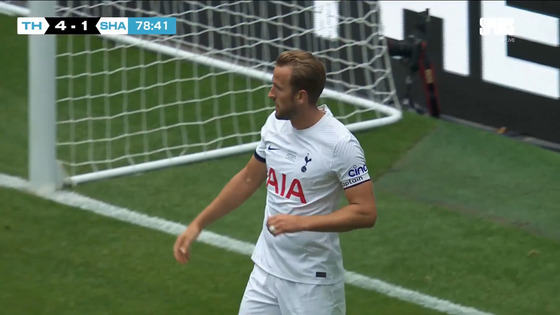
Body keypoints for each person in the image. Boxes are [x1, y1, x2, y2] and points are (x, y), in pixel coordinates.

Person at [174, 50, 377, 315]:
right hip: (266, 271)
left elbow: (365, 211)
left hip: (312, 284)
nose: (270, 94)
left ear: (301, 96)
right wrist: (198, 224)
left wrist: (301, 223)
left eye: (278, 88)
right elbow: (248, 179)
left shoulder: (340, 144)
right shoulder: (275, 125)